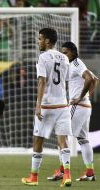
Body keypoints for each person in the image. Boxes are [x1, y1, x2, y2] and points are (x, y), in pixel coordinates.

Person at [21, 28, 72, 187]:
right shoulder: (64, 57)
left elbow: (42, 81)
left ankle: (33, 178)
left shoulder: (43, 57)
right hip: (63, 105)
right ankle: (67, 176)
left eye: (40, 39)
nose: (38, 42)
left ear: (47, 41)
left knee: (38, 141)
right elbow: (67, 82)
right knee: (63, 141)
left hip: (47, 105)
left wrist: (38, 105)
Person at [47, 42, 98, 182]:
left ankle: (63, 171)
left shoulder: (76, 64)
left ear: (73, 52)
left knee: (62, 137)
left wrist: (80, 97)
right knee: (83, 139)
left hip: (78, 106)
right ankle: (90, 172)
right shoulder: (73, 65)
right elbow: (95, 79)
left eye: (66, 52)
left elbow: (89, 78)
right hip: (85, 106)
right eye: (62, 52)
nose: (64, 55)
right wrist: (88, 96)